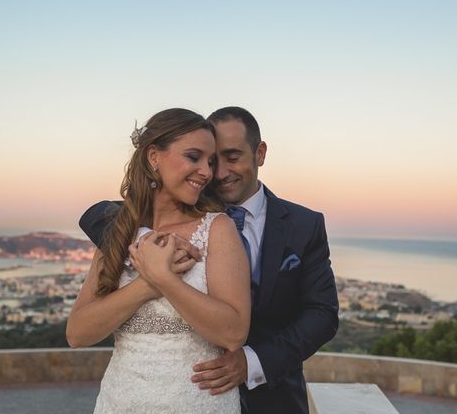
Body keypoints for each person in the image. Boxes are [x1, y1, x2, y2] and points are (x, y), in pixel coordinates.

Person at [80, 107, 339, 414]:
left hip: (271, 395)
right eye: (208, 159)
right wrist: (149, 238)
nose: (216, 172)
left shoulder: (303, 225)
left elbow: (322, 314)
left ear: (260, 153)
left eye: (231, 157)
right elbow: (99, 215)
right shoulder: (173, 214)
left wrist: (253, 362)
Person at [67, 108, 250, 414]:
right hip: (120, 402)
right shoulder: (121, 231)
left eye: (210, 161)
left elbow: (232, 333)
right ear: (154, 156)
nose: (206, 172)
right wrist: (148, 283)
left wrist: (165, 279)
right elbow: (77, 333)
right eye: (194, 157)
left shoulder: (218, 229)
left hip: (197, 403)